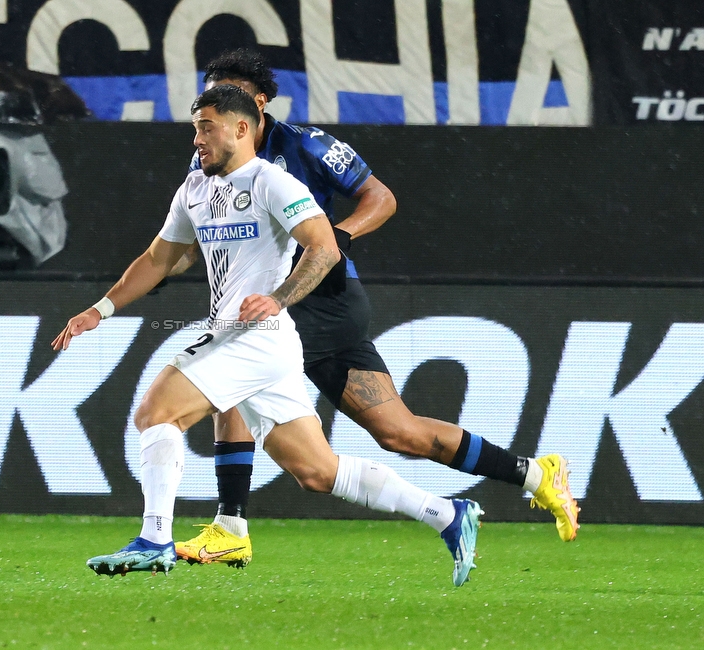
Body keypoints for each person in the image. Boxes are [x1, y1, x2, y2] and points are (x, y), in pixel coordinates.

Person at [52, 85, 483, 587]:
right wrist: (100, 310)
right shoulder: (193, 188)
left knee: (156, 412)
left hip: (255, 336)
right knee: (318, 471)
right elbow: (157, 260)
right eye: (195, 129)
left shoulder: (272, 182)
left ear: (241, 128)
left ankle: (154, 539)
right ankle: (446, 514)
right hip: (255, 345)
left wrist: (279, 297)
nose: (197, 140)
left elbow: (324, 248)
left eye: (206, 127)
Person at [170, 49, 579, 570]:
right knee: (399, 432)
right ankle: (537, 475)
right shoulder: (206, 159)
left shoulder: (306, 145)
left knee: (232, 368)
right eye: (209, 100)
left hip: (320, 301)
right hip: (285, 310)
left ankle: (230, 525)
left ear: (258, 105)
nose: (215, 110)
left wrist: (337, 237)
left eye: (227, 98)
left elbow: (380, 198)